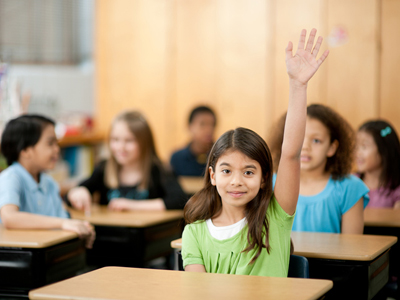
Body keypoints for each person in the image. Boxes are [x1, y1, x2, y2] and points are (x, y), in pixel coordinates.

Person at [182, 28, 329, 276]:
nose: (237, 181)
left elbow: (291, 152)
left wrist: (298, 85)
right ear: (213, 175)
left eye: (249, 172)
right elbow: (199, 292)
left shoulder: (275, 217)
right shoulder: (194, 232)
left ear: (264, 178)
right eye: (226, 170)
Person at [270, 104, 369, 234]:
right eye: (298, 138)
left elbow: (352, 248)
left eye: (316, 141)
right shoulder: (270, 184)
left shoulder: (350, 188)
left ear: (331, 148)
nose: (305, 147)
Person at [0, 115, 95, 248]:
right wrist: (62, 223)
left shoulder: (49, 183)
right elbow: (10, 218)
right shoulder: (11, 178)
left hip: (49, 254)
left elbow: (63, 218)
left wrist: (80, 227)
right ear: (26, 150)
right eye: (50, 143)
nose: (57, 149)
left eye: (56, 143)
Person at [67, 111, 187, 212]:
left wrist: (131, 205)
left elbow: (179, 200)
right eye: (115, 140)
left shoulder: (159, 170)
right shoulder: (104, 168)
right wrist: (78, 192)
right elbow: (71, 196)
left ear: (144, 143)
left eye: (129, 140)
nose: (121, 147)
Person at [356, 120, 400, 208]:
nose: (357, 153)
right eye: (356, 146)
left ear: (384, 151)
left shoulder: (396, 188)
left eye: (364, 147)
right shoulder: (349, 182)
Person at [170, 106, 216, 176]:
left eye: (212, 125)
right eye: (202, 124)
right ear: (190, 127)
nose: (208, 129)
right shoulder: (177, 158)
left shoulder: (219, 157)